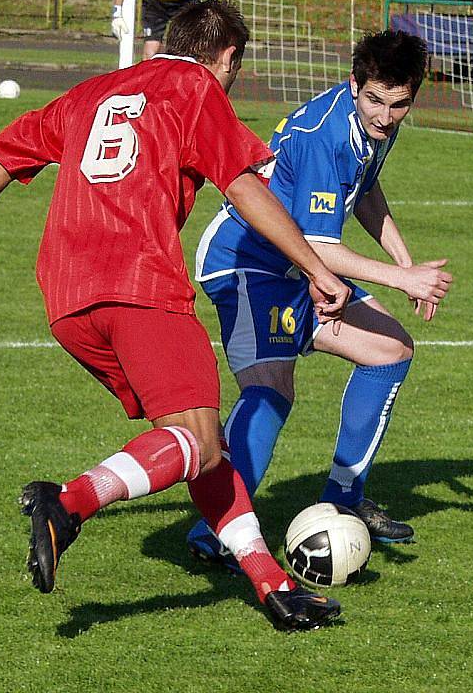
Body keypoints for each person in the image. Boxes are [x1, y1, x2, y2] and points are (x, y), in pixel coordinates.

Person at [0, 0, 351, 632]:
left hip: (68, 301)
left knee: (201, 444)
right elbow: (243, 187)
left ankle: (273, 586)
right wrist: (317, 268)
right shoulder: (196, 87)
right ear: (227, 57)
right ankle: (67, 501)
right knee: (199, 442)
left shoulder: (91, 90)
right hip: (141, 287)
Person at [187, 29, 453, 570]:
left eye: (398, 104)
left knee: (391, 350)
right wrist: (406, 281)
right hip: (247, 264)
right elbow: (321, 246)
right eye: (374, 99)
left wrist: (404, 261)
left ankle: (344, 501)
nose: (384, 115)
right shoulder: (322, 134)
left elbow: (366, 190)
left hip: (297, 264)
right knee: (271, 389)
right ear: (354, 83)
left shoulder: (374, 126)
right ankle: (212, 529)